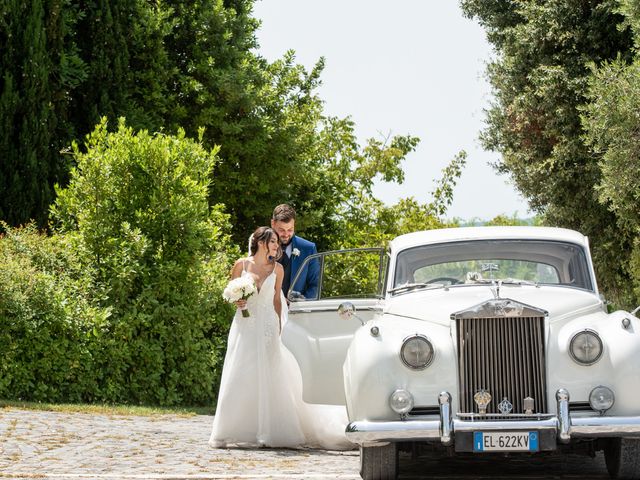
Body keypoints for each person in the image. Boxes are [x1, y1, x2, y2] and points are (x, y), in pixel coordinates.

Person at [209, 226, 352, 450]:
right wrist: (236, 301)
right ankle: (233, 429)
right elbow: (229, 292)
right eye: (273, 242)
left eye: (277, 242)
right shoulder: (241, 265)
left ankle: (270, 429)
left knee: (270, 372)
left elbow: (277, 300)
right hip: (244, 325)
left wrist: (278, 326)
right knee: (240, 371)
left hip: (267, 325)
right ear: (260, 242)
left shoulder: (278, 269)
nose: (277, 246)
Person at [270, 204, 320, 300]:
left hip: (296, 310)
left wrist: (301, 303)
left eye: (290, 230)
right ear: (273, 223)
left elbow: (315, 284)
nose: (286, 234)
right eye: (281, 230)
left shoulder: (308, 248)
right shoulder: (262, 245)